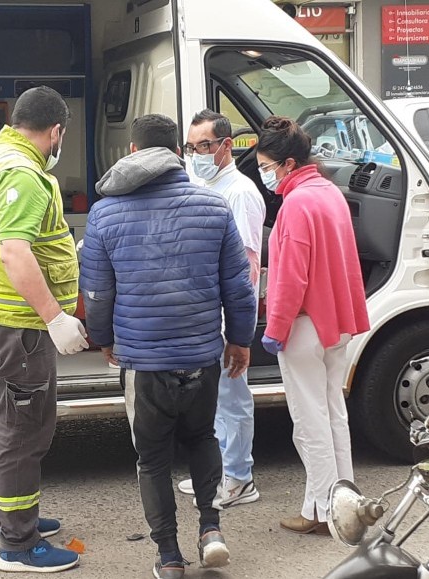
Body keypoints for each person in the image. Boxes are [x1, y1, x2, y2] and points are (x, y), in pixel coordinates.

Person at [80, 114, 256, 579]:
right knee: (203, 438)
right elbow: (238, 286)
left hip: (145, 360)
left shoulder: (104, 213)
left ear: (133, 152)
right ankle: (211, 530)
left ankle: (170, 556)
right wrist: (239, 340)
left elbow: (97, 292)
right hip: (202, 355)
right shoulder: (213, 206)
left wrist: (104, 339)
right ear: (178, 152)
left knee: (152, 458)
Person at [0, 86, 86, 573]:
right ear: (56, 130)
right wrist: (56, 318)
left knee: (14, 427)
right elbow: (15, 251)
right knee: (21, 432)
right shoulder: (23, 173)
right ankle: (17, 545)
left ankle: (16, 520)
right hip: (17, 326)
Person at [255, 116, 370, 535]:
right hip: (336, 323)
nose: (265, 174)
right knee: (333, 414)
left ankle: (324, 511)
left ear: (287, 163)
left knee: (309, 424)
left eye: (267, 166)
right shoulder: (329, 193)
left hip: (304, 326)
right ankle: (344, 503)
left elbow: (290, 279)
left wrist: (275, 329)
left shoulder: (297, 205)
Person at [177, 110, 266, 507]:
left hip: (229, 314)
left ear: (227, 146)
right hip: (208, 313)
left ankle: (240, 477)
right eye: (191, 147)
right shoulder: (203, 184)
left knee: (232, 396)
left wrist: (238, 328)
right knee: (214, 398)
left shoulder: (240, 193)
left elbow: (247, 266)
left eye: (204, 146)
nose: (196, 154)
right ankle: (219, 472)